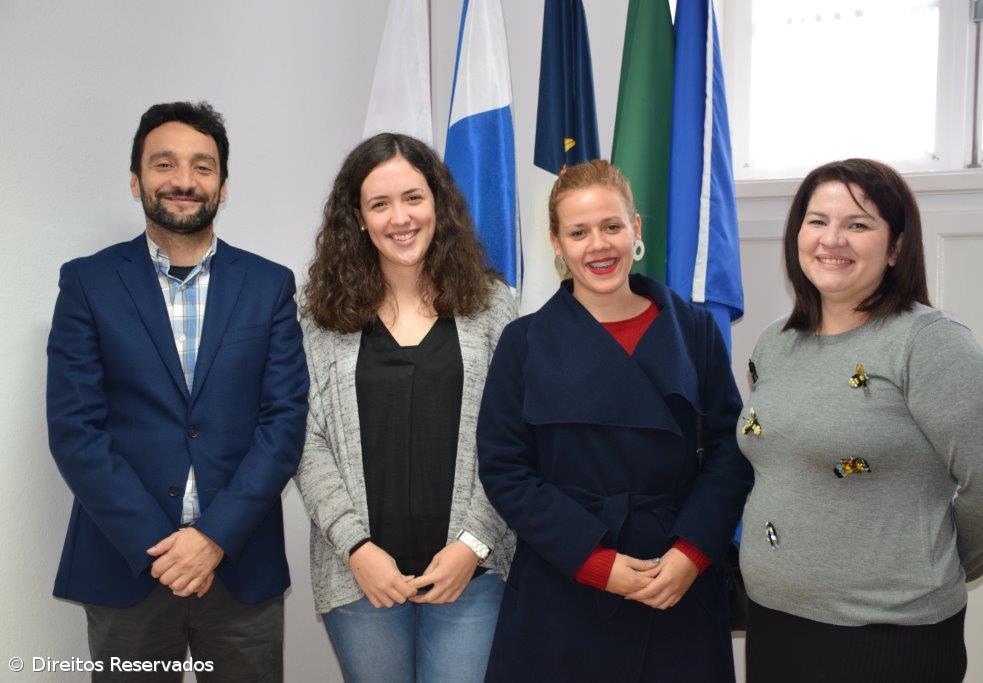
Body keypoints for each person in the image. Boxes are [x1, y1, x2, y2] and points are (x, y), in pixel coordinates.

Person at [46, 101, 309, 681]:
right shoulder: (87, 283)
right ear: (137, 180)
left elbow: (284, 424)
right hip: (129, 567)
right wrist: (162, 547)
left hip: (240, 567)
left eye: (203, 166)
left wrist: (214, 538)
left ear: (224, 186)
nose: (184, 181)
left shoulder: (269, 286)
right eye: (165, 164)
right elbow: (75, 431)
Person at [739, 158, 983, 683]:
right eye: (817, 220)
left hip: (888, 638)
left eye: (859, 224)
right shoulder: (774, 342)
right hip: (773, 621)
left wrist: (926, 565)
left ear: (895, 247)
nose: (832, 240)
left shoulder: (930, 343)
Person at [476, 159, 753, 681]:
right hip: (565, 583)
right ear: (557, 244)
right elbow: (504, 468)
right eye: (578, 232)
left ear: (636, 229)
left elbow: (730, 454)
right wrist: (594, 562)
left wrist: (690, 553)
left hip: (676, 583)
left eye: (611, 226)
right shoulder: (523, 343)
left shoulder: (694, 332)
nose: (598, 245)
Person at [293, 132, 515, 682]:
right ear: (358, 217)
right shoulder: (321, 319)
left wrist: (473, 545)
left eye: (413, 197)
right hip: (360, 579)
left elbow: (515, 437)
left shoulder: (493, 307)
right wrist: (356, 548)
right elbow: (304, 440)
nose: (400, 217)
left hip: (473, 574)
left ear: (438, 201)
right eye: (380, 203)